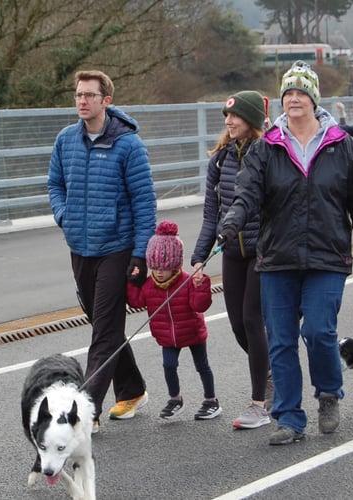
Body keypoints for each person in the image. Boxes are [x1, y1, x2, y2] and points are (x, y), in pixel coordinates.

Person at [218, 61, 353, 446]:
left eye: (301, 92)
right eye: (288, 92)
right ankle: (290, 417)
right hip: (277, 258)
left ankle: (328, 394)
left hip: (327, 256)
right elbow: (247, 193)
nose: (293, 98)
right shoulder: (267, 146)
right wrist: (232, 221)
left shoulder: (341, 145)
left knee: (319, 331)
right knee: (281, 340)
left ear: (313, 99)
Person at [47, 70, 156, 430]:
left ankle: (86, 409)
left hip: (117, 247)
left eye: (89, 95)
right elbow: (55, 183)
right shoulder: (66, 140)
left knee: (105, 330)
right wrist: (65, 216)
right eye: (78, 94)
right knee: (102, 324)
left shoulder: (128, 144)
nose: (82, 101)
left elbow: (144, 202)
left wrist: (141, 254)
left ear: (106, 101)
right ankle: (132, 388)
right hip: (80, 245)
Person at [191, 91, 272, 430]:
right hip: (232, 251)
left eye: (235, 117)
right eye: (226, 117)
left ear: (252, 120)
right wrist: (198, 256)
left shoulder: (269, 154)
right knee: (237, 323)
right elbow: (213, 213)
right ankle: (270, 373)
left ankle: (260, 402)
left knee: (253, 319)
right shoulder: (220, 160)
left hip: (262, 250)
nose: (228, 122)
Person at [128, 220, 221, 421]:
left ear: (175, 264)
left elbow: (199, 306)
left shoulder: (187, 281)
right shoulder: (149, 284)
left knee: (202, 365)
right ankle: (175, 399)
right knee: (169, 365)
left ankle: (211, 400)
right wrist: (132, 281)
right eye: (155, 267)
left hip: (193, 332)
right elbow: (135, 302)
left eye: (165, 267)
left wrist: (200, 285)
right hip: (167, 336)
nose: (159, 272)